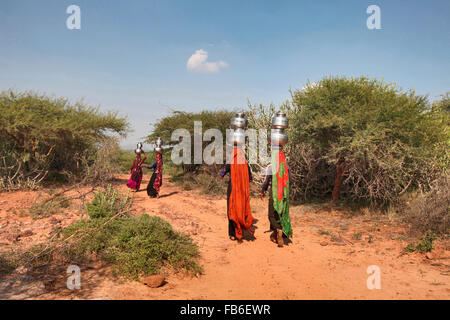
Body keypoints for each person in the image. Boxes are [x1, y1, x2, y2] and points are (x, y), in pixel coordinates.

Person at [220, 147, 255, 241]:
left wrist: (221, 174)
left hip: (232, 188)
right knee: (240, 208)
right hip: (242, 189)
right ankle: (240, 230)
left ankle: (232, 233)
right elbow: (250, 178)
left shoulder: (231, 161)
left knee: (231, 209)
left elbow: (223, 171)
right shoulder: (245, 163)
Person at [260, 145, 292, 247]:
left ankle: (278, 230)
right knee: (280, 214)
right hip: (284, 193)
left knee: (271, 215)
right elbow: (290, 180)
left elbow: (266, 181)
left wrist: (262, 191)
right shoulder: (286, 166)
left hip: (274, 193)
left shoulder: (271, 166)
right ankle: (276, 236)